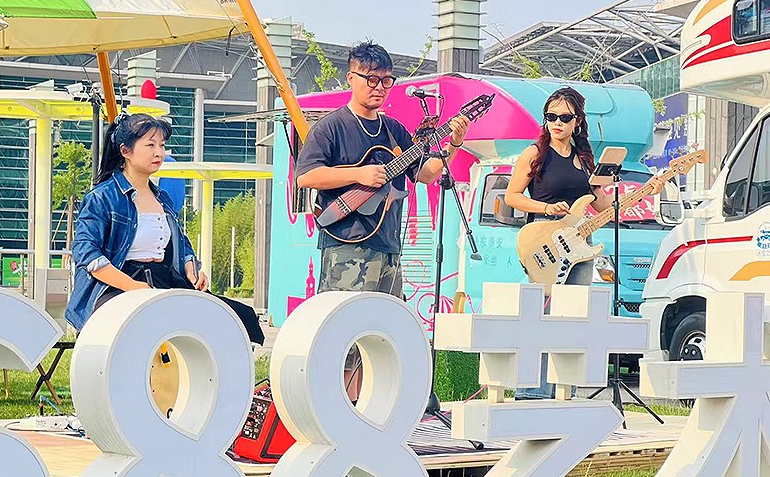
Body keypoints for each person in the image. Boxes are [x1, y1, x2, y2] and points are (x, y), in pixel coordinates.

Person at [295, 40, 469, 399]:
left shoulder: (394, 130)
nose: (379, 88)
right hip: (346, 245)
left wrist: (453, 145)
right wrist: (358, 174)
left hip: (388, 245)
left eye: (386, 81)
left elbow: (425, 173)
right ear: (351, 78)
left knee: (382, 336)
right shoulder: (331, 127)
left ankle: (372, 407)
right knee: (343, 336)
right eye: (371, 79)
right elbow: (306, 176)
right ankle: (338, 405)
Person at [504, 87, 663, 399]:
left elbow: (603, 206)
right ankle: (533, 391)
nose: (557, 123)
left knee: (574, 316)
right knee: (545, 315)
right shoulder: (535, 154)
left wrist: (646, 191)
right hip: (545, 239)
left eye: (564, 118)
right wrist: (547, 208)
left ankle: (566, 389)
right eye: (551, 117)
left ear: (577, 121)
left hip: (580, 243)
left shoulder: (585, 159)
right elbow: (512, 196)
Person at [65, 112, 264, 345]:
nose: (159, 153)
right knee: (147, 324)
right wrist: (132, 286)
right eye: (150, 145)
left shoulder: (163, 198)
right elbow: (87, 254)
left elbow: (181, 243)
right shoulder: (102, 197)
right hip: (115, 286)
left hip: (162, 279)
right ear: (125, 151)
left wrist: (192, 271)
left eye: (161, 145)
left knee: (234, 316)